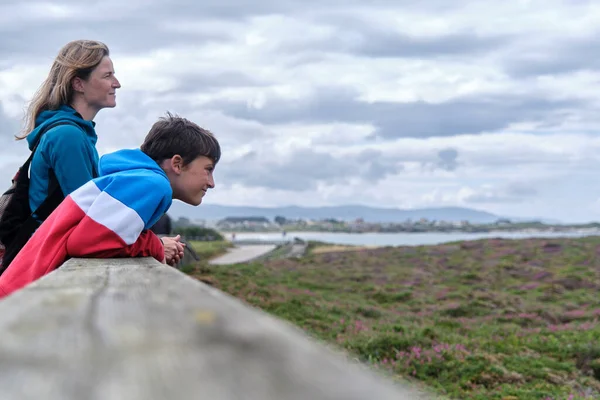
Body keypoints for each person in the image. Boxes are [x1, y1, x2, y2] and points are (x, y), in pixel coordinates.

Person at [0, 112, 220, 298]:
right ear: (177, 164)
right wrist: (156, 246)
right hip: (23, 296)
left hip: (21, 289)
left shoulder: (133, 179)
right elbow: (85, 242)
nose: (211, 183)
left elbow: (97, 235)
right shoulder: (154, 185)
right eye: (208, 169)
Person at [0, 40, 120, 269]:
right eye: (107, 76)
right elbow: (91, 219)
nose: (117, 83)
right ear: (78, 84)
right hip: (44, 265)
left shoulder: (72, 134)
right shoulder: (67, 137)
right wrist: (153, 244)